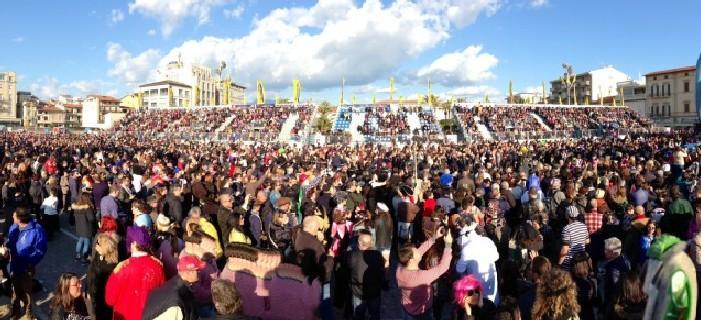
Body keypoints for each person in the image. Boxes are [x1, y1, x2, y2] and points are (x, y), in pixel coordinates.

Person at [105, 226, 165, 320]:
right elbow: (162, 296)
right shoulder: (157, 267)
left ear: (133, 244)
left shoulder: (122, 268)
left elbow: (110, 299)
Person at [396, 226, 453, 319]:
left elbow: (421, 250)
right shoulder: (421, 277)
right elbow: (443, 267)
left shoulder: (400, 267)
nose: (419, 251)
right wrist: (448, 245)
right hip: (421, 313)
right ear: (412, 260)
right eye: (416, 252)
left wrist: (435, 237)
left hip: (406, 309)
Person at [6, 207, 48, 319]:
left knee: (26, 291)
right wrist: (5, 248)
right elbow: (9, 243)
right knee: (14, 290)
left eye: (14, 216)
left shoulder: (37, 230)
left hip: (26, 268)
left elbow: (40, 250)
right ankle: (15, 312)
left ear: (20, 218)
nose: (12, 217)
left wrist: (30, 262)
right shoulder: (13, 227)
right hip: (14, 265)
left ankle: (28, 312)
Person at [142, 255, 204, 320]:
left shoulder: (178, 285)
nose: (200, 273)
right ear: (189, 272)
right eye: (198, 271)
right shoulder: (175, 302)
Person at [455, 215, 499, 304]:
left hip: (476, 288)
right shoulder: (488, 241)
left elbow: (459, 270)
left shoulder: (466, 249)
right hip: (491, 283)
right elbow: (496, 257)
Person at [347, 230, 384, 320]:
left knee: (359, 315)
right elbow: (381, 271)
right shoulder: (377, 255)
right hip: (373, 291)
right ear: (370, 243)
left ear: (359, 243)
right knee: (374, 315)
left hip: (358, 292)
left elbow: (347, 268)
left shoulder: (352, 255)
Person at [86, 233, 118, 320]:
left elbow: (95, 278)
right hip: (96, 294)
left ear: (104, 248)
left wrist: (91, 292)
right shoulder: (99, 255)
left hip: (102, 298)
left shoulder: (109, 266)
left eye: (98, 243)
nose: (95, 245)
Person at [72, 192, 96, 263]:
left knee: (80, 241)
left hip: (79, 227)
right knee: (86, 243)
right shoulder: (87, 208)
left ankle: (77, 255)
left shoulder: (77, 207)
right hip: (87, 228)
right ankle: (84, 258)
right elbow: (91, 218)